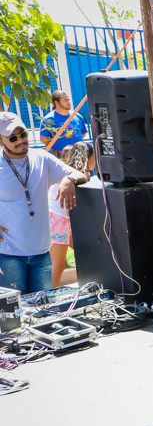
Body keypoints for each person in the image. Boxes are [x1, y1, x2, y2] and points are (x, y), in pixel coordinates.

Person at [0, 112, 86, 292]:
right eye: (13, 137)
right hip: (9, 254)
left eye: (23, 134)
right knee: (15, 313)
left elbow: (78, 174)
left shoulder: (41, 157)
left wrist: (68, 180)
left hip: (41, 251)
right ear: (1, 140)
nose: (20, 140)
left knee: (43, 310)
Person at [53, 142, 93, 287]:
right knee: (58, 264)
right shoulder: (71, 176)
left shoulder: (74, 174)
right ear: (88, 158)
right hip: (57, 220)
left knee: (88, 253)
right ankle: (52, 294)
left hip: (64, 219)